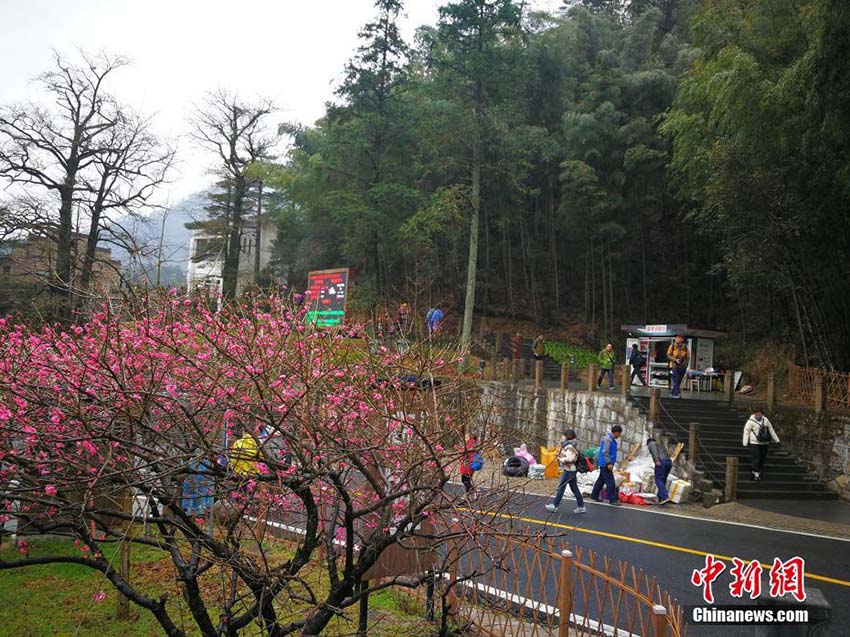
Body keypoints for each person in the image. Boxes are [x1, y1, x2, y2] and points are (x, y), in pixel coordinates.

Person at [545, 430, 586, 513]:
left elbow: (570, 459)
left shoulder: (570, 447)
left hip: (569, 470)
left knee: (561, 488)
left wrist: (560, 459)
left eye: (564, 436)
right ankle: (581, 506)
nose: (562, 438)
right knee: (574, 488)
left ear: (568, 436)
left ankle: (555, 505)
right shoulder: (569, 446)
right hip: (570, 470)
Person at [742, 407, 780, 481]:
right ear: (754, 414)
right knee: (756, 458)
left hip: (765, 442)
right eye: (757, 413)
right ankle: (756, 474)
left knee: (763, 458)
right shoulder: (750, 421)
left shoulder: (765, 420)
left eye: (760, 414)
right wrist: (745, 443)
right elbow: (746, 431)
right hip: (754, 442)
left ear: (762, 414)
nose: (758, 415)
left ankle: (756, 471)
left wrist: (777, 440)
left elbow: (771, 430)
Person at [591, 425, 622, 505]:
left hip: (604, 463)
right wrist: (608, 463)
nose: (619, 435)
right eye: (619, 434)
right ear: (616, 433)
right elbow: (605, 452)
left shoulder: (611, 439)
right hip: (605, 463)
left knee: (601, 480)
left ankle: (594, 495)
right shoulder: (608, 440)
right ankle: (613, 500)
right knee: (610, 482)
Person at [647, 436, 673, 505]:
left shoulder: (651, 443)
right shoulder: (660, 444)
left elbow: (654, 451)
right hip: (668, 462)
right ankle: (660, 498)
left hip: (661, 462)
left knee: (658, 479)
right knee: (662, 480)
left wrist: (657, 460)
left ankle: (665, 497)